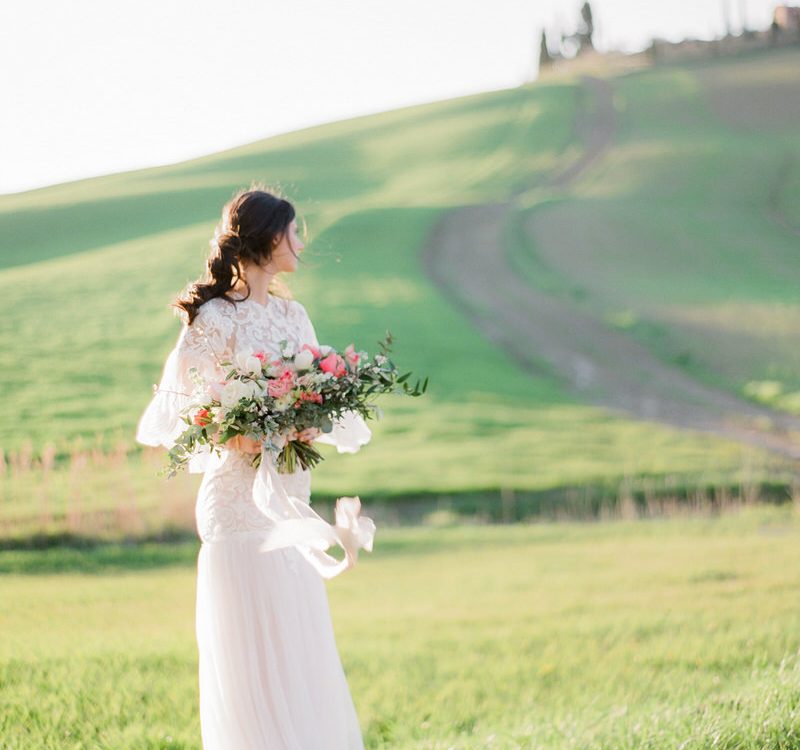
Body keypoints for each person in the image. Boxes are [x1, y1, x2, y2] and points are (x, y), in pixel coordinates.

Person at [135, 185, 373, 749]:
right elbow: (192, 411)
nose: (299, 243)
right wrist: (245, 434)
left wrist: (310, 421)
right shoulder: (216, 318)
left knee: (297, 648)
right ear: (268, 237)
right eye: (294, 232)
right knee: (252, 658)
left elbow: (314, 393)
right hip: (237, 508)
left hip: (288, 500)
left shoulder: (295, 315)